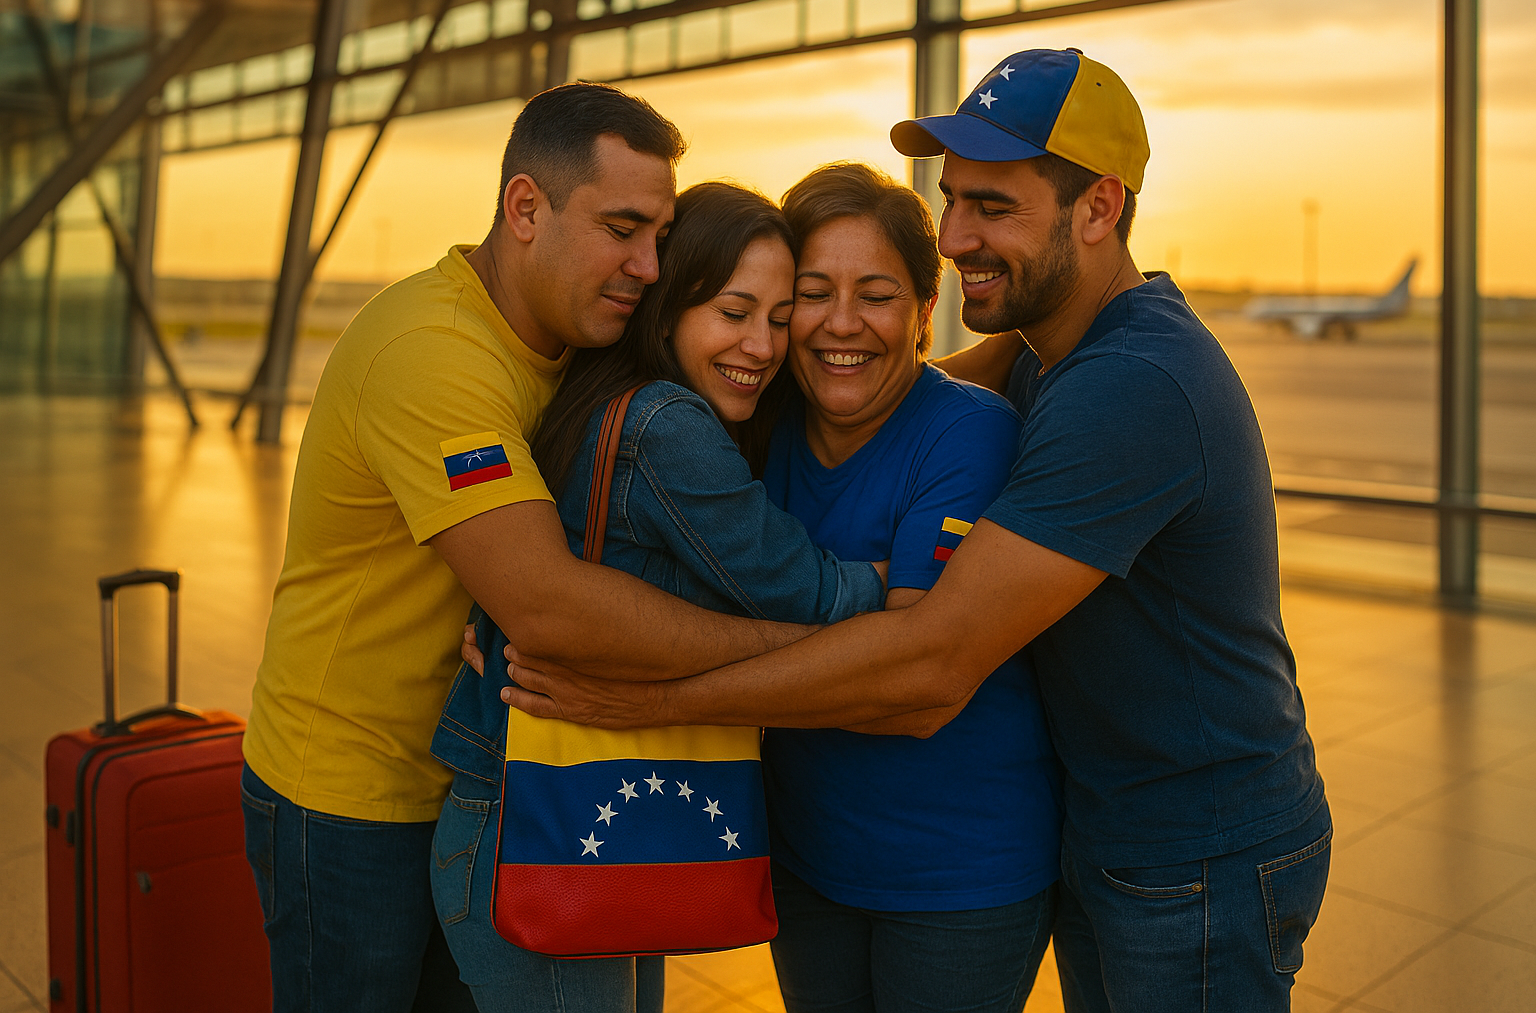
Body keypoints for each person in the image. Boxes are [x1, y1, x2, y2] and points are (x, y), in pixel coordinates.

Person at [499, 49, 1331, 1013]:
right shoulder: (1055, 355)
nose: (956, 233)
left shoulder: (1129, 385)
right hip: (1103, 825)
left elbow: (927, 670)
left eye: (994, 206)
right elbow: (937, 382)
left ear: (1100, 208)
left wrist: (643, 700)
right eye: (954, 200)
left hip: (1198, 846)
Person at [239, 81, 694, 1012]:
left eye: (660, 236)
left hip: (473, 781)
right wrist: (801, 643)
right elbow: (545, 604)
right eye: (621, 228)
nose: (648, 266)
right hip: (348, 795)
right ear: (525, 208)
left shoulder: (575, 338)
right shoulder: (433, 353)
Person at [426, 181, 889, 1012]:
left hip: (574, 818)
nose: (763, 344)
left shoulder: (605, 400)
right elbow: (804, 588)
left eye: (781, 319)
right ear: (669, 308)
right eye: (733, 311)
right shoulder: (665, 426)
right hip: (548, 825)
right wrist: (888, 588)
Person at [761, 163, 1060, 1013]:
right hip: (805, 858)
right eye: (813, 294)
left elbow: (907, 687)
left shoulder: (968, 434)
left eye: (878, 295)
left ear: (926, 312)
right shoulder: (759, 428)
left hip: (958, 879)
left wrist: (662, 678)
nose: (842, 325)